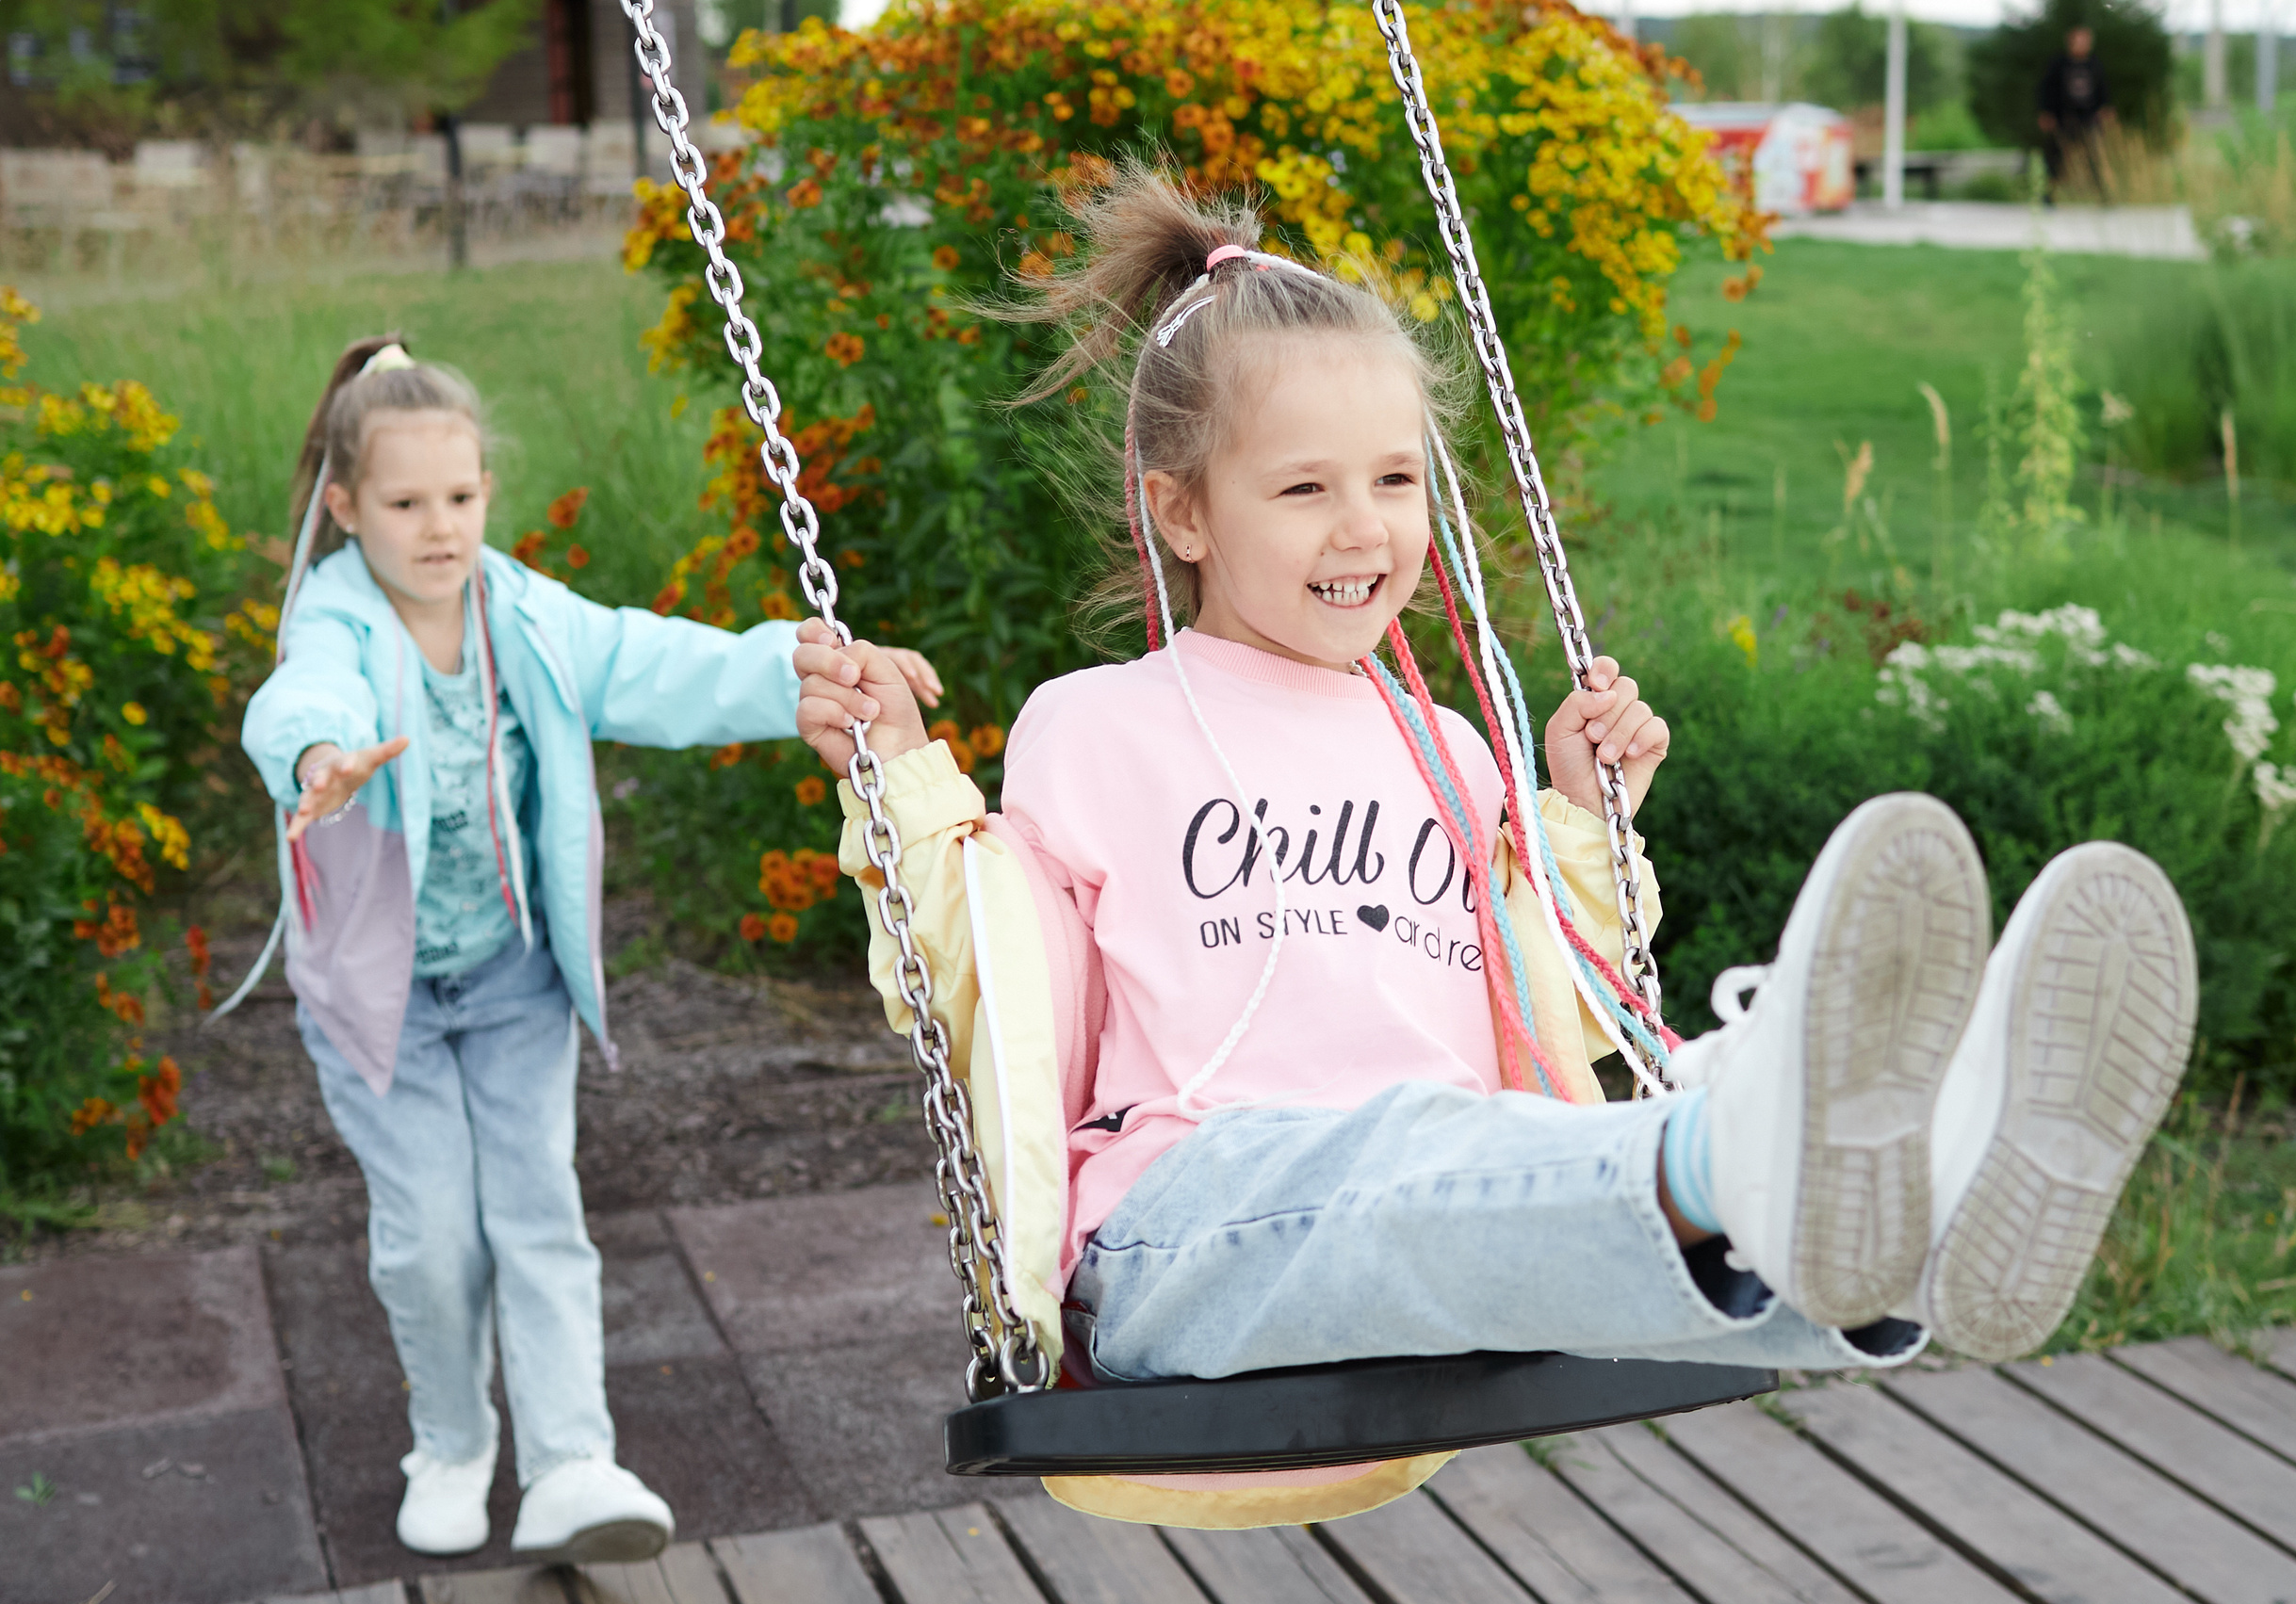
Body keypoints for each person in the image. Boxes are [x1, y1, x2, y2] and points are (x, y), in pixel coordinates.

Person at [792, 170, 2194, 1401]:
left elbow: (1546, 1008)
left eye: (1397, 479)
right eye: (1304, 491)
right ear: (1182, 510)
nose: (1366, 528)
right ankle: (1752, 1139)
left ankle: (1928, 1200)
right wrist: (905, 791)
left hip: (1448, 1216)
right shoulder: (1094, 725)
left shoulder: (1450, 748)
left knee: (1540, 1162)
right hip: (1188, 1233)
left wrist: (1575, 820)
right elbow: (1003, 996)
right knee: (1423, 1152)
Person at [239, 339, 939, 1563]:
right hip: (384, 1000)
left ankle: (570, 1459)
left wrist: (797, 668)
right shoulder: (338, 618)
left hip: (513, 978)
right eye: (406, 505)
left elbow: (648, 659)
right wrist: (320, 761)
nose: (441, 528)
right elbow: (304, 694)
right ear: (345, 508)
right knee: (434, 1237)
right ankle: (450, 1442)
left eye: (461, 498)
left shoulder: (521, 613)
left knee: (539, 1213)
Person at [2037, 24, 2112, 200]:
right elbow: (2046, 89)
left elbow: (2103, 89)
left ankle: (2102, 195)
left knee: (2094, 157)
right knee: (2056, 158)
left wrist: (2106, 109)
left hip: (2089, 118)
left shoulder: (2094, 64)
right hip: (2063, 118)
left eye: (2085, 41)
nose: (2082, 44)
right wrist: (2046, 113)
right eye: (2078, 40)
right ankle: (2048, 195)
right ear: (2070, 42)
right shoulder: (2058, 63)